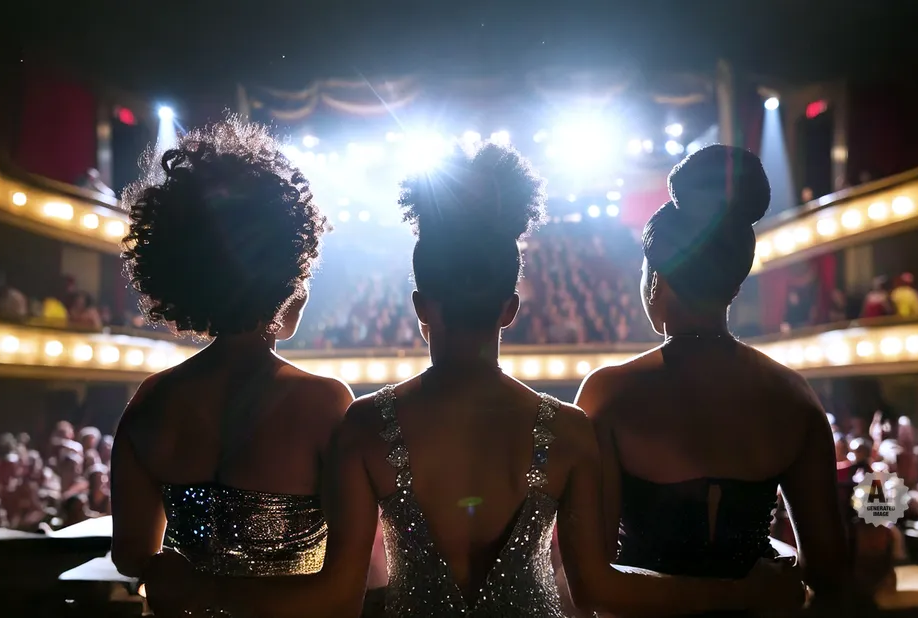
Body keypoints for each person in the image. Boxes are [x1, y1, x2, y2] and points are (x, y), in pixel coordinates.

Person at [173, 143, 804, 617]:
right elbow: (595, 588)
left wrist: (198, 587)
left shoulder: (364, 426)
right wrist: (739, 594)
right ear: (511, 309)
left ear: (422, 307)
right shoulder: (571, 430)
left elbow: (339, 596)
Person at [576, 145, 849, 613]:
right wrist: (744, 591)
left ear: (655, 278)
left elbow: (593, 586)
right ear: (735, 283)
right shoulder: (793, 396)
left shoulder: (609, 394)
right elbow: (828, 570)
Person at [109, 118, 354, 615]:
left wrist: (194, 588)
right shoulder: (325, 403)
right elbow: (346, 586)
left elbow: (132, 554)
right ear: (290, 277)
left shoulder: (151, 400)